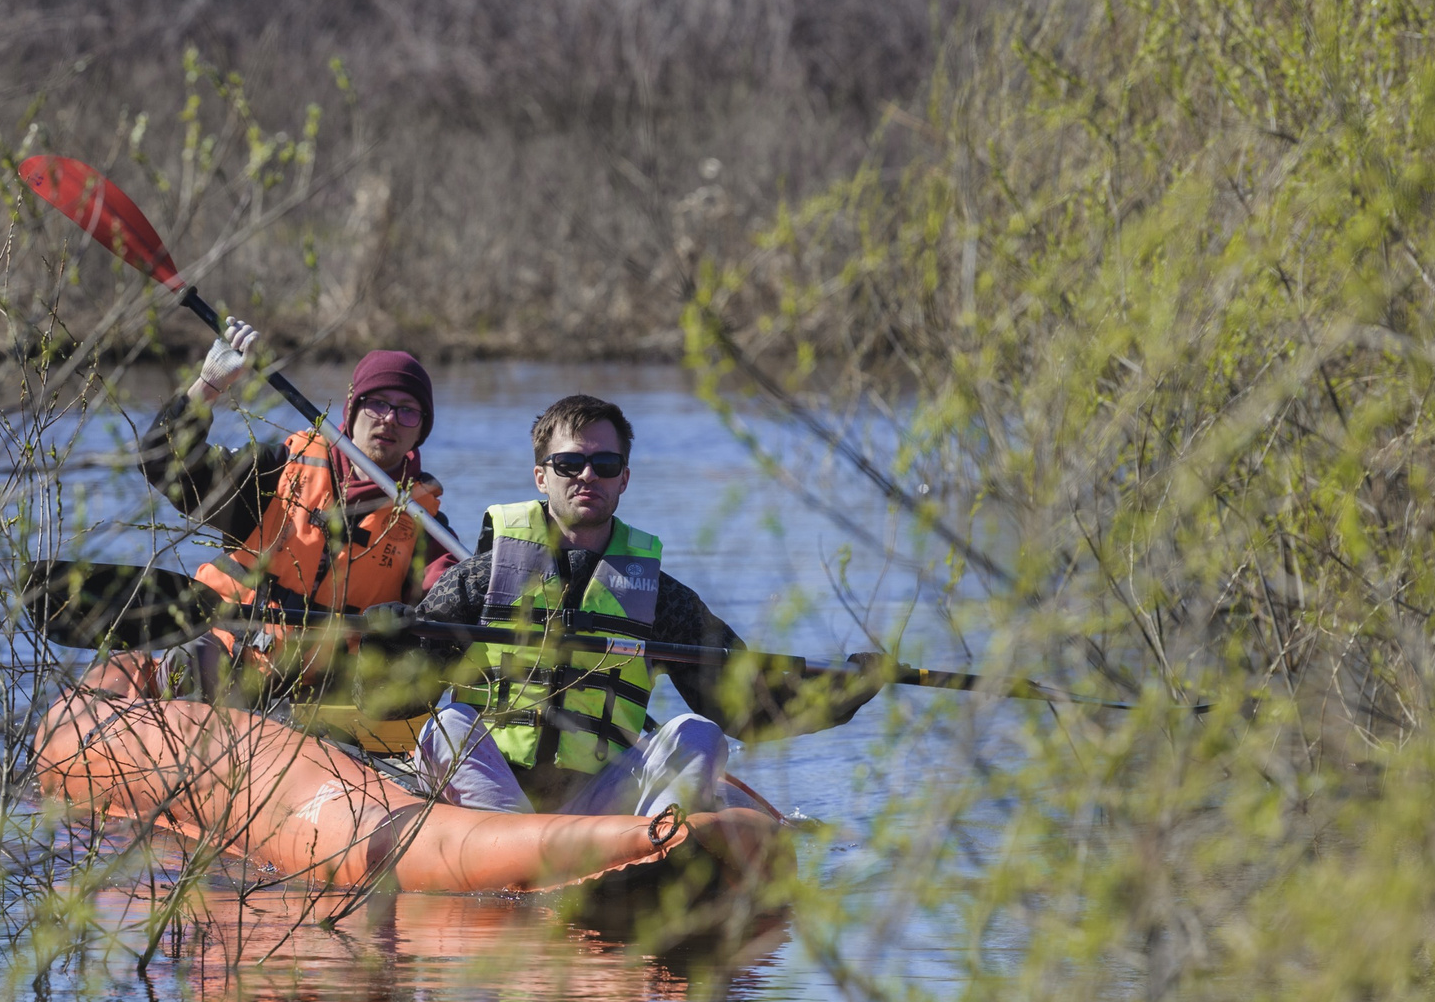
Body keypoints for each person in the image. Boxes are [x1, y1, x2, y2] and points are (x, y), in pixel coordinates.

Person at [411, 393, 882, 818]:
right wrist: (393, 639)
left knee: (697, 733)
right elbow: (398, 694)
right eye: (569, 463)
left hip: (593, 804)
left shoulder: (658, 596)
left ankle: (655, 850)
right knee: (450, 724)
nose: (588, 475)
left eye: (606, 464)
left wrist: (846, 692)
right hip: (492, 791)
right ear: (541, 477)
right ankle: (508, 845)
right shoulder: (480, 577)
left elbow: (747, 708)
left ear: (625, 480)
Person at [102, 319, 455, 705]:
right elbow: (163, 460)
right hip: (231, 665)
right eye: (379, 403)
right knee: (190, 661)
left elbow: (448, 601)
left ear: (420, 430)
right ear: (353, 409)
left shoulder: (425, 526)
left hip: (324, 699)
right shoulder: (276, 469)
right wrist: (209, 386)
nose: (390, 419)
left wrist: (412, 626)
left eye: (408, 411)